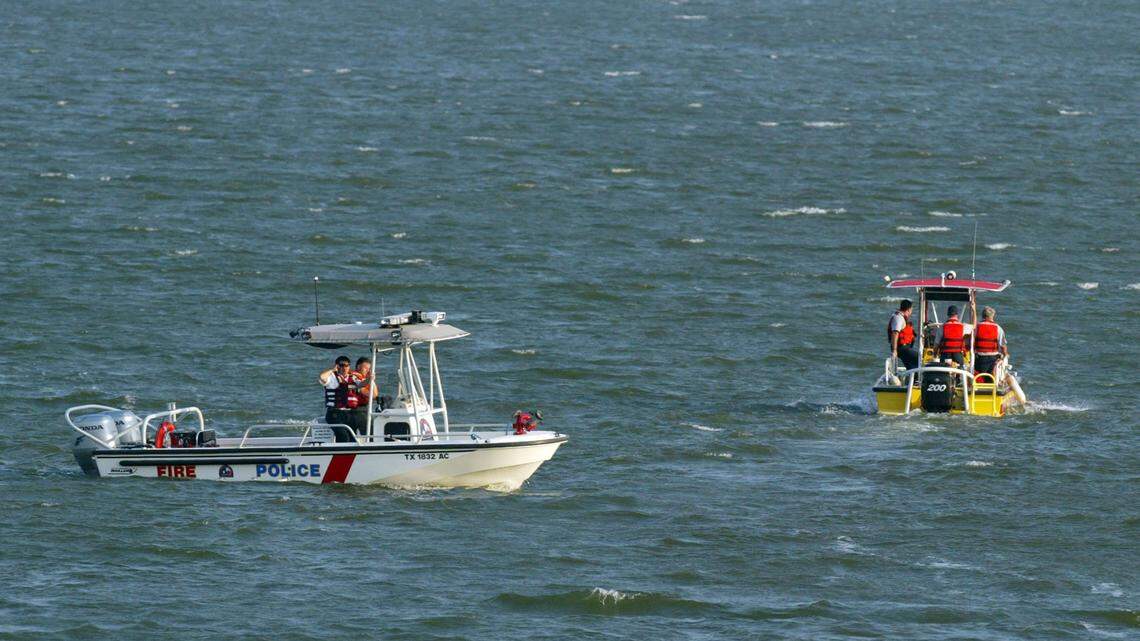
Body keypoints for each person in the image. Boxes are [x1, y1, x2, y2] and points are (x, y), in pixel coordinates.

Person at [319, 355, 361, 442]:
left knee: (352, 439)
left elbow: (363, 384)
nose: (344, 368)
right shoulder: (332, 378)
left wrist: (370, 378)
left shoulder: (353, 378)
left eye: (347, 365)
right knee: (343, 436)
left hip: (350, 413)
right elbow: (322, 377)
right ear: (337, 366)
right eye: (341, 365)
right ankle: (341, 454)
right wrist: (332, 370)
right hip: (335, 413)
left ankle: (351, 454)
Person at [973, 306, 1008, 376]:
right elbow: (1003, 346)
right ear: (992, 316)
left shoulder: (977, 327)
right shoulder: (998, 328)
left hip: (980, 359)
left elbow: (972, 341)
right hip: (993, 359)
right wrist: (1006, 354)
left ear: (983, 316)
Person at [887, 299, 919, 372]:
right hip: (901, 348)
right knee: (919, 359)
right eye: (911, 310)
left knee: (911, 366)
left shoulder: (902, 317)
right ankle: (916, 378)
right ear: (908, 310)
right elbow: (895, 333)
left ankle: (914, 380)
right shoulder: (898, 318)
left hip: (905, 348)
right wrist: (894, 350)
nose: (911, 312)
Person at [351, 357, 379, 437]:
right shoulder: (354, 377)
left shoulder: (365, 379)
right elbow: (371, 395)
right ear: (358, 367)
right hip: (357, 410)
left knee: (370, 431)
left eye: (369, 369)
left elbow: (375, 394)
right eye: (365, 368)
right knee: (370, 433)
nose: (367, 370)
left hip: (364, 408)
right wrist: (370, 380)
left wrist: (371, 380)